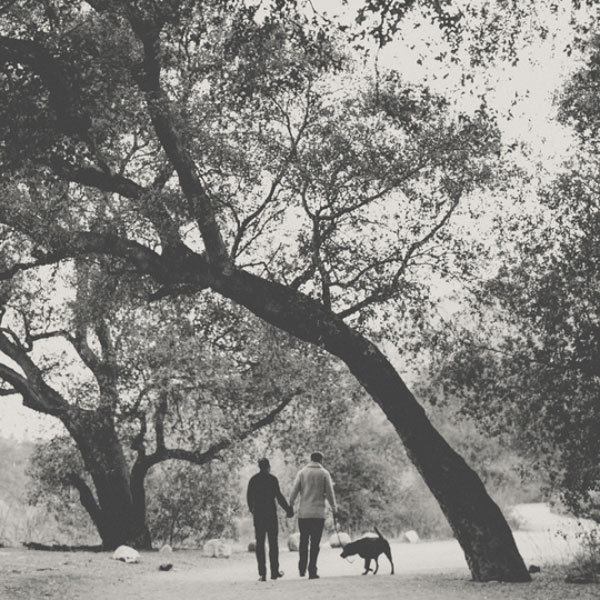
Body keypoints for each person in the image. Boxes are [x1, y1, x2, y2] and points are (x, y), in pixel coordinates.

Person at [289, 451, 338, 580]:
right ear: (321, 460)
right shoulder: (324, 473)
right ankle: (312, 570)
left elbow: (294, 491)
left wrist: (290, 504)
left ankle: (301, 567)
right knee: (315, 543)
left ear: (311, 459)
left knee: (303, 541)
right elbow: (330, 493)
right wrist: (334, 508)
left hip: (304, 514)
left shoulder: (302, 473)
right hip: (318, 514)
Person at [246, 458, 293, 582]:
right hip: (271, 515)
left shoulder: (253, 480)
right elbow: (279, 496)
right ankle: (274, 572)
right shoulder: (272, 479)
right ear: (268, 467)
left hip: (259, 516)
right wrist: (288, 509)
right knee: (273, 544)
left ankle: (262, 573)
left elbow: (249, 498)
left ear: (259, 466)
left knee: (260, 544)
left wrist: (253, 510)